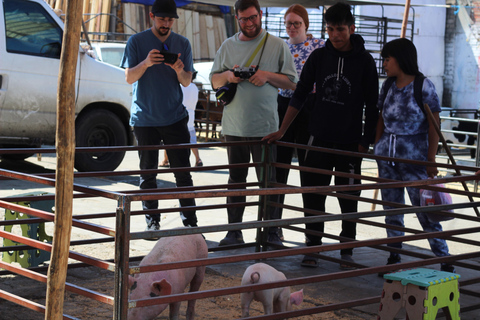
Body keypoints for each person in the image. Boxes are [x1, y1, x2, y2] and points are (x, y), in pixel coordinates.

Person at [263, 2, 379, 268]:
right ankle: (312, 246)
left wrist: (365, 142)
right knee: (313, 194)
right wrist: (282, 130)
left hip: (350, 141)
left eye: (340, 29)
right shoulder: (318, 57)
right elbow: (300, 94)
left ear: (351, 27)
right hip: (317, 138)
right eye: (330, 29)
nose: (335, 35)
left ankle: (347, 244)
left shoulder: (365, 61)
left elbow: (373, 105)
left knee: (349, 196)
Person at [210, 0, 298, 246]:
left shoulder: (277, 45)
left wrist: (267, 76)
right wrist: (229, 75)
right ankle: (234, 232)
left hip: (266, 127)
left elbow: (292, 83)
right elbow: (215, 81)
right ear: (237, 18)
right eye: (243, 19)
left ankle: (270, 232)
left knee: (268, 182)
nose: (249, 23)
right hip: (234, 126)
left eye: (252, 17)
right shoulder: (228, 45)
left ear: (260, 14)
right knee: (235, 180)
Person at [373, 38, 455, 274]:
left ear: (401, 59)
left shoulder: (423, 86)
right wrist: (377, 146)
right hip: (387, 158)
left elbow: (434, 124)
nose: (385, 64)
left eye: (388, 59)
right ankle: (394, 256)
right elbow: (380, 117)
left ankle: (444, 258)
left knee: (425, 211)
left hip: (414, 160)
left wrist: (430, 159)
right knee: (392, 209)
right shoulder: (387, 85)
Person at [120, 0, 198, 232]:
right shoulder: (136, 41)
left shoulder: (182, 43)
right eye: (162, 19)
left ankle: (190, 224)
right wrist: (145, 63)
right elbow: (129, 78)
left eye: (170, 20)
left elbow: (187, 81)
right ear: (151, 17)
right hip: (145, 118)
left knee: (183, 174)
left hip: (175, 116)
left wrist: (178, 69)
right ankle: (152, 222)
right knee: (148, 175)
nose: (166, 23)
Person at [276, 4, 325, 240]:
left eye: (297, 23)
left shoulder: (319, 46)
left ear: (306, 25)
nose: (293, 27)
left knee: (309, 170)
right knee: (278, 169)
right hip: (283, 106)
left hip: (310, 107)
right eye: (289, 23)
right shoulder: (280, 47)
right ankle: (274, 227)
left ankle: (311, 235)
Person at [160, 71, 203, 168]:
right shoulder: (195, 88)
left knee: (169, 138)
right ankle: (198, 159)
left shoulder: (179, 86)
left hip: (179, 115)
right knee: (192, 140)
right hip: (191, 113)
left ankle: (165, 160)